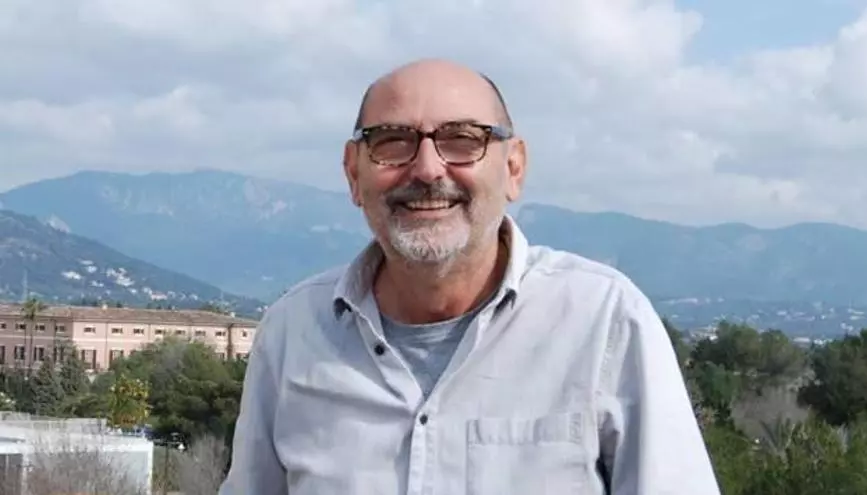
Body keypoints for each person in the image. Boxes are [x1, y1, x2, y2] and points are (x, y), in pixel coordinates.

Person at [218, 58, 720, 495]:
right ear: (354, 174)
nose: (427, 169)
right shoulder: (293, 333)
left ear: (514, 168)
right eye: (393, 142)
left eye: (462, 140)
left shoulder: (604, 322)